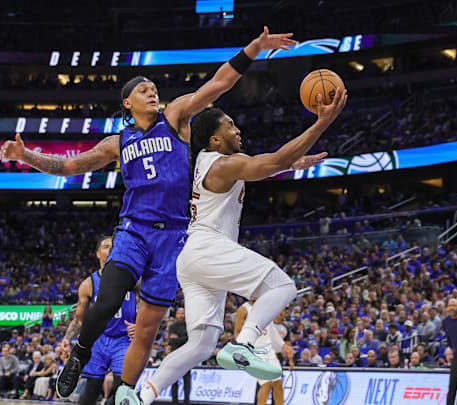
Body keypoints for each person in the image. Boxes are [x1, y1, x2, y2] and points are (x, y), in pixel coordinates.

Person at [1, 26, 298, 400]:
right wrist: (27, 157)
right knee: (107, 301)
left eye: (153, 87)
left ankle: (124, 394)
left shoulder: (175, 118)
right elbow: (70, 167)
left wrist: (253, 49)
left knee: (146, 329)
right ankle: (80, 353)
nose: (152, 91)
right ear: (128, 103)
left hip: (175, 237)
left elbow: (218, 84)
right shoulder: (117, 142)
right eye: (143, 89)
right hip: (134, 230)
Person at [117, 87, 346, 404]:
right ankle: (245, 343)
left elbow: (265, 166)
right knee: (282, 286)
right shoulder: (221, 164)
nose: (237, 130)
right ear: (214, 139)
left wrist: (290, 166)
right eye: (230, 126)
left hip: (194, 257)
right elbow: (271, 160)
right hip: (208, 248)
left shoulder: (211, 164)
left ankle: (141, 396)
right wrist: (321, 124)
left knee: (201, 344)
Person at [59, 236, 137, 405]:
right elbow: (79, 320)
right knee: (90, 391)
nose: (110, 249)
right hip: (98, 341)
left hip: (124, 339)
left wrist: (139, 325)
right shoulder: (88, 284)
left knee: (121, 392)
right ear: (97, 253)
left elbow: (153, 304)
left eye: (113, 246)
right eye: (105, 246)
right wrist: (66, 339)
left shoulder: (134, 279)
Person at [236, 301, 295, 405]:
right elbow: (237, 331)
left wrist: (283, 345)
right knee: (266, 384)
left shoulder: (266, 307)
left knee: (278, 383)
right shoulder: (244, 309)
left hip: (269, 351)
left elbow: (272, 331)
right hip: (254, 352)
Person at [168, 308, 189, 405]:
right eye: (179, 313)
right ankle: (174, 401)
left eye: (182, 313)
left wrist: (178, 338)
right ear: (176, 315)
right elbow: (172, 341)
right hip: (175, 355)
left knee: (187, 381)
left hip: (187, 355)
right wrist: (183, 338)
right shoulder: (172, 326)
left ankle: (186, 401)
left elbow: (189, 340)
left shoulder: (189, 325)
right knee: (174, 380)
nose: (181, 315)